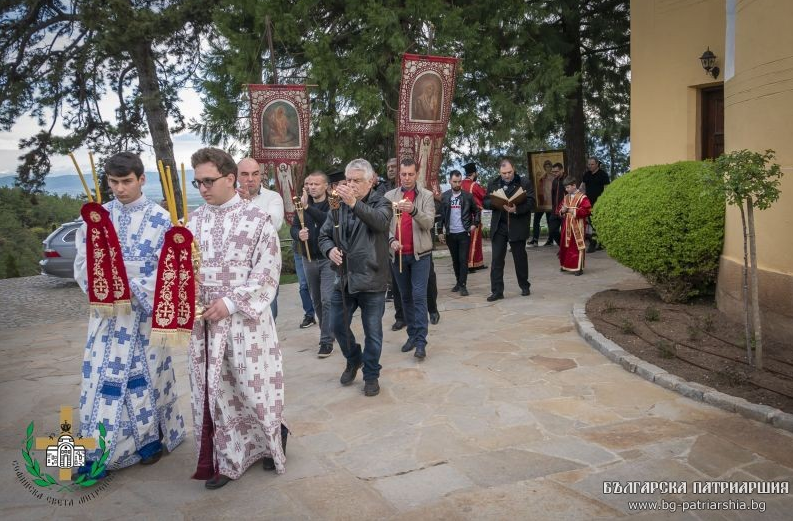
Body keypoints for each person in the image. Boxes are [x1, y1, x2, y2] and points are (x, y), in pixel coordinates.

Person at [74, 151, 186, 471]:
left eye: (126, 181)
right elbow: (83, 265)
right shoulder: (97, 219)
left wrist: (132, 287)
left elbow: (168, 269)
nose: (120, 189)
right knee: (101, 382)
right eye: (113, 182)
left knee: (146, 378)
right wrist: (105, 288)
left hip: (144, 316)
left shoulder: (160, 218)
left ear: (141, 179)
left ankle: (149, 441)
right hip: (108, 317)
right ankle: (96, 452)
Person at [188, 148, 286, 489]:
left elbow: (268, 272)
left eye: (209, 181)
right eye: (197, 182)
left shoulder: (257, 219)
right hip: (207, 325)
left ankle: (274, 437)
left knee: (252, 388)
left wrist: (230, 302)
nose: (202, 188)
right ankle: (227, 460)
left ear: (230, 179)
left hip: (247, 322)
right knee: (219, 391)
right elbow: (186, 272)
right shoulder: (193, 221)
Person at [318, 158, 392, 397]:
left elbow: (380, 223)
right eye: (348, 180)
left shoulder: (383, 202)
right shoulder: (336, 206)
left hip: (372, 278)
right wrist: (329, 249)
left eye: (356, 181)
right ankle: (353, 358)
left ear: (370, 182)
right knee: (336, 324)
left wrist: (353, 202)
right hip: (344, 278)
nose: (350, 185)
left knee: (373, 332)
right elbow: (324, 236)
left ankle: (371, 375)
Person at [385, 157, 436, 360]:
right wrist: (390, 241)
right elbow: (384, 225)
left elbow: (429, 223)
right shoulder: (390, 196)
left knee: (418, 296)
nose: (406, 178)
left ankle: (421, 342)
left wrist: (413, 210)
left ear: (417, 174)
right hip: (398, 255)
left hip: (420, 256)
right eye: (403, 174)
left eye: (410, 174)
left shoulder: (426, 196)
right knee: (404, 298)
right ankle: (412, 335)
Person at [236, 158, 297, 324]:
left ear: (261, 176)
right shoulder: (231, 200)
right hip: (238, 266)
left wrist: (248, 203)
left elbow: (274, 224)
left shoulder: (273, 197)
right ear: (236, 176)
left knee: (269, 314)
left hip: (266, 266)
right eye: (245, 174)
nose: (250, 179)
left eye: (255, 174)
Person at [291, 171, 335, 357]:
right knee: (316, 300)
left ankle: (326, 340)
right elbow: (294, 227)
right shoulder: (300, 206)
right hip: (308, 258)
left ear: (325, 186)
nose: (311, 187)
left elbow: (327, 221)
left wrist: (307, 207)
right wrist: (297, 235)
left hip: (327, 258)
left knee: (327, 299)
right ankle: (329, 331)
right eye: (308, 184)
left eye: (316, 184)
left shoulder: (333, 203)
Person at [483, 158, 536, 301]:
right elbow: (485, 201)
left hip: (517, 225)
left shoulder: (524, 182)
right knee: (497, 260)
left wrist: (516, 209)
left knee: (520, 258)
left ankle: (524, 286)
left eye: (509, 172)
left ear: (514, 169)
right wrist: (495, 203)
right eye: (503, 173)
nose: (506, 175)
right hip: (499, 226)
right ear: (499, 172)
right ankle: (497, 291)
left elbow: (531, 202)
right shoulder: (493, 183)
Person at [438, 169, 478, 296]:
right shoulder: (444, 196)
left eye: (459, 181)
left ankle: (463, 285)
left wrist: (474, 225)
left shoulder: (468, 196)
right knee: (455, 260)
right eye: (454, 181)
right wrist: (440, 231)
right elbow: (441, 216)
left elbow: (476, 211)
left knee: (463, 260)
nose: (457, 184)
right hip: (451, 234)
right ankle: (458, 282)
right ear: (450, 181)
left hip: (463, 233)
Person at [557, 175, 592, 275]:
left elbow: (587, 210)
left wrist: (573, 210)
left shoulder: (582, 197)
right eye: (565, 188)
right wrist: (562, 211)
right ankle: (565, 264)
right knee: (565, 245)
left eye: (568, 187)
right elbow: (560, 209)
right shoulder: (566, 197)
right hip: (566, 225)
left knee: (576, 245)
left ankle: (578, 267)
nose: (566, 189)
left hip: (577, 224)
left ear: (574, 185)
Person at [461, 162, 487, 271]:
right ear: (474, 173)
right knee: (474, 240)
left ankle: (478, 262)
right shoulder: (474, 185)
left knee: (468, 240)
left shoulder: (460, 183)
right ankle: (470, 264)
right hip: (473, 216)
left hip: (461, 215)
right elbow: (484, 196)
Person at [582, 157, 610, 253]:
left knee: (596, 223)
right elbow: (582, 187)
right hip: (588, 204)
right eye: (589, 164)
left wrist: (604, 202)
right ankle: (600, 242)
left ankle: (593, 244)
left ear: (597, 164)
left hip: (599, 204)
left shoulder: (603, 175)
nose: (590, 166)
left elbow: (607, 189)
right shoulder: (586, 175)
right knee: (592, 223)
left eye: (592, 164)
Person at [529, 160, 554, 247]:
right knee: (536, 221)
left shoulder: (554, 178)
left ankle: (550, 240)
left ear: (551, 168)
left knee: (549, 221)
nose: (548, 168)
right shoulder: (542, 178)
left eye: (549, 167)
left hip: (550, 202)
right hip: (541, 202)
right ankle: (535, 239)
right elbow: (538, 189)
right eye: (546, 167)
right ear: (544, 168)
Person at [546, 162, 567, 246]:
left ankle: (565, 249)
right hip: (555, 211)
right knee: (552, 230)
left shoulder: (567, 180)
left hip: (565, 211)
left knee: (565, 232)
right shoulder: (554, 181)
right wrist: (553, 209)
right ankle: (562, 245)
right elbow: (553, 196)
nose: (554, 173)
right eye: (553, 172)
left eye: (556, 171)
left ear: (562, 170)